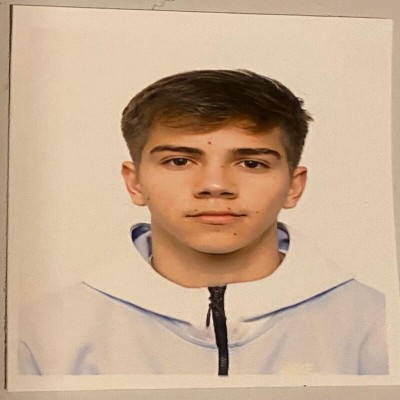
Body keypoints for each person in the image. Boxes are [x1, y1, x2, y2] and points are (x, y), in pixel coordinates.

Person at [18, 69, 388, 376]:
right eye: (179, 161)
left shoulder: (377, 326)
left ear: (294, 186)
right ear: (135, 183)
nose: (215, 185)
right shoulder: (46, 334)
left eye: (251, 163)